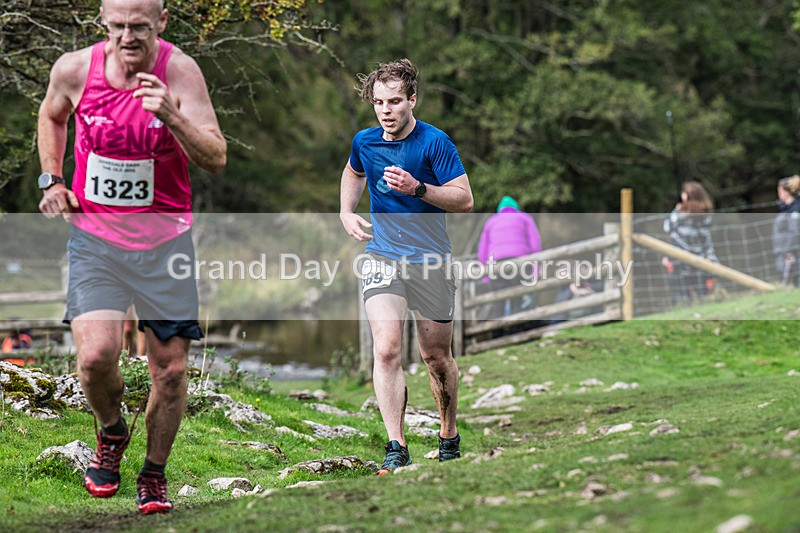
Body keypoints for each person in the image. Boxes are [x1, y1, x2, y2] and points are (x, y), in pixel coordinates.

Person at [37, 0, 226, 514]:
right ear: (103, 22)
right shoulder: (75, 69)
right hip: (95, 241)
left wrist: (170, 114)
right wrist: (52, 179)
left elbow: (215, 156)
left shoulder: (180, 72)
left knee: (169, 371)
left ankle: (153, 475)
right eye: (117, 26)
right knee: (96, 357)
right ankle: (111, 431)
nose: (128, 37)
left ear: (161, 22)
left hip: (165, 244)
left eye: (139, 27)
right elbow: (52, 116)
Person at [339, 59, 474, 474]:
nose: (386, 110)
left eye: (395, 101)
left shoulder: (435, 143)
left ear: (412, 99)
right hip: (382, 256)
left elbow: (464, 199)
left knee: (436, 357)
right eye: (379, 102)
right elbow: (352, 171)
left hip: (431, 260)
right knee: (386, 349)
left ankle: (448, 433)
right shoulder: (365, 141)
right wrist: (345, 211)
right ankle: (396, 445)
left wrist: (419, 189)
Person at [477, 195, 541, 320]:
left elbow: (482, 250)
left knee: (498, 302)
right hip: (519, 262)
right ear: (516, 208)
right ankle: (516, 333)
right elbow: (535, 244)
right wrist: (536, 269)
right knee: (517, 299)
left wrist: (485, 274)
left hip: (496, 265)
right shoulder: (525, 218)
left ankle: (497, 334)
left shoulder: (491, 221)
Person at [662, 181, 718, 304]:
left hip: (680, 259)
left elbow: (667, 227)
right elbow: (706, 238)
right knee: (701, 293)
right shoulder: (707, 214)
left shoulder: (681, 214)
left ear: (687, 196)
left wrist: (676, 210)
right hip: (701, 258)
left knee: (682, 295)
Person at [771, 175, 800, 286]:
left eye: (780, 190)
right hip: (782, 251)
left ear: (787, 192)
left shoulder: (795, 209)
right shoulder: (785, 209)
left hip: (791, 252)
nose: (778, 194)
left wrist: (790, 251)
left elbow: (795, 231)